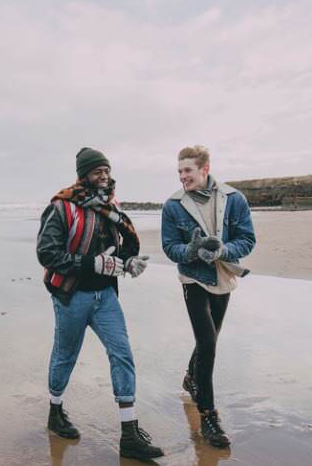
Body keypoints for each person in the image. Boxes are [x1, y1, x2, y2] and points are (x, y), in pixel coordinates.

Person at [36, 147, 163, 460]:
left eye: (106, 170)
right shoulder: (63, 207)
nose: (104, 176)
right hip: (72, 296)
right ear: (84, 175)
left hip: (106, 297)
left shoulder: (111, 206)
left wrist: (129, 262)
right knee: (65, 355)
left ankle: (130, 434)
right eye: (97, 171)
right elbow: (47, 254)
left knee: (122, 355)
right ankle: (55, 412)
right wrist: (92, 264)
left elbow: (116, 250)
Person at [161, 145, 256, 449]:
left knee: (211, 336)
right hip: (193, 278)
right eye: (179, 172)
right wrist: (189, 251)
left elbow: (247, 239)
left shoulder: (234, 199)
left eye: (187, 170)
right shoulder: (173, 205)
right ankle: (209, 417)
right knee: (208, 344)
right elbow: (169, 246)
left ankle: (191, 377)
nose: (182, 176)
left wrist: (223, 250)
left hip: (224, 277)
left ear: (205, 168)